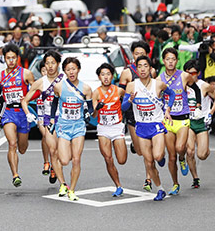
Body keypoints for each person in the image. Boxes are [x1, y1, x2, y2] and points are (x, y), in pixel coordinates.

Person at [123, 56, 174, 201]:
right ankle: (160, 189)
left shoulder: (158, 84)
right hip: (141, 126)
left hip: (156, 124)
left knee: (157, 156)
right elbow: (124, 107)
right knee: (149, 162)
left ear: (150, 69)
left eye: (146, 66)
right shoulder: (132, 86)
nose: (143, 69)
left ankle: (162, 156)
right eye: (140, 66)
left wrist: (167, 109)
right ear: (136, 69)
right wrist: (130, 101)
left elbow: (171, 94)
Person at [21, 50, 68, 195]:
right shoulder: (39, 82)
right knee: (53, 151)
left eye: (53, 63)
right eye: (47, 63)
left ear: (58, 64)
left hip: (65, 120)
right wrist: (29, 114)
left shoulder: (66, 79)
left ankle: (57, 169)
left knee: (65, 155)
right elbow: (25, 100)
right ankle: (63, 183)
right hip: (48, 120)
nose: (50, 66)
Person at [50, 57, 92, 201]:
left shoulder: (86, 88)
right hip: (63, 126)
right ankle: (63, 183)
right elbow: (55, 103)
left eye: (73, 69)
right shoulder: (59, 87)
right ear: (65, 71)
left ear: (78, 70)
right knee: (64, 160)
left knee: (76, 159)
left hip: (78, 126)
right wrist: (51, 118)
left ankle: (72, 190)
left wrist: (89, 112)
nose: (71, 72)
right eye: (68, 69)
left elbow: (90, 108)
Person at [0, 44, 35, 187]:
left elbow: (36, 89)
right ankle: (15, 175)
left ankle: (22, 143)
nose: (11, 61)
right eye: (8, 58)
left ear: (18, 58)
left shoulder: (26, 73)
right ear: (4, 59)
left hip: (23, 113)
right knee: (12, 143)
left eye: (13, 58)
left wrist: (27, 99)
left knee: (22, 148)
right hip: (9, 113)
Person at [118, 41, 156, 187]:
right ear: (132, 55)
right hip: (132, 114)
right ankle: (135, 146)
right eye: (136, 53)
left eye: (142, 53)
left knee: (149, 149)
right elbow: (121, 93)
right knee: (140, 150)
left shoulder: (151, 71)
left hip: (149, 113)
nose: (139, 56)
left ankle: (148, 178)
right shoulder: (126, 72)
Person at [159, 47, 192, 195]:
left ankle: (183, 158)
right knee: (171, 156)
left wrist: (196, 104)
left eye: (173, 59)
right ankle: (175, 183)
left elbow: (195, 87)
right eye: (168, 59)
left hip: (183, 118)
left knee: (180, 148)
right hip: (168, 120)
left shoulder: (184, 76)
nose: (170, 62)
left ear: (177, 61)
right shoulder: (160, 79)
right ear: (163, 61)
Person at [184, 59, 215, 189]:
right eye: (187, 73)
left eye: (193, 73)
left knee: (202, 154)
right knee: (190, 151)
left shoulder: (204, 86)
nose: (190, 75)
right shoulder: (182, 85)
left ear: (198, 73)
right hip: (188, 122)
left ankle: (205, 148)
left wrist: (210, 113)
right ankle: (195, 178)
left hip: (201, 122)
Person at [92, 62, 126, 197]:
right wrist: (97, 108)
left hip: (117, 127)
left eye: (108, 74)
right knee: (108, 158)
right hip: (103, 128)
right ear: (99, 77)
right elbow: (93, 115)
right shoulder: (96, 93)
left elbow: (128, 101)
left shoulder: (118, 90)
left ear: (112, 76)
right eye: (102, 75)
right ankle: (118, 185)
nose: (105, 77)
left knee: (121, 160)